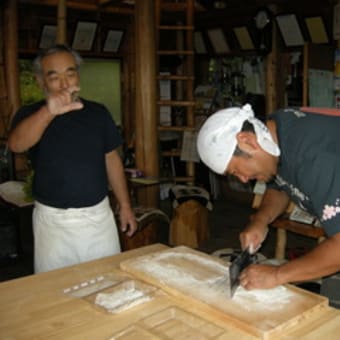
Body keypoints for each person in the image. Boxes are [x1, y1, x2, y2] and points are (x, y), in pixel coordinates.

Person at [8, 44, 137, 273]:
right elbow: (17, 144)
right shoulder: (31, 114)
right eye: (54, 77)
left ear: (77, 75)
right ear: (41, 81)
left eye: (70, 73)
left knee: (107, 281)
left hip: (98, 216)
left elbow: (112, 160)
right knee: (55, 291)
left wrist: (125, 206)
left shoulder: (98, 113)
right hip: (52, 221)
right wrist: (49, 112)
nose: (65, 83)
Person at [197, 103, 340, 290]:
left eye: (236, 171)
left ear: (247, 141)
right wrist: (261, 220)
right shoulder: (275, 133)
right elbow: (281, 184)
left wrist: (277, 275)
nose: (243, 179)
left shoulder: (316, 156)